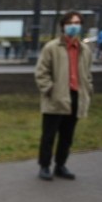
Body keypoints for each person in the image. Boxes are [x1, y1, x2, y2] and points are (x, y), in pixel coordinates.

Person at [34, 11, 93, 181]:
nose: (74, 25)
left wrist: (88, 89)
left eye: (77, 22)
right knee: (49, 136)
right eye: (70, 22)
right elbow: (41, 72)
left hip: (76, 97)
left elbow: (87, 74)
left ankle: (60, 165)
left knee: (67, 136)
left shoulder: (85, 50)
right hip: (56, 97)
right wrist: (50, 90)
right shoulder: (52, 47)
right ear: (63, 26)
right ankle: (44, 166)